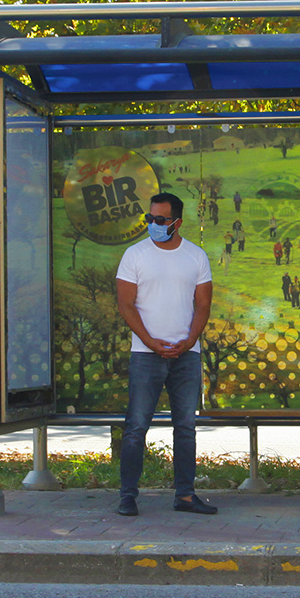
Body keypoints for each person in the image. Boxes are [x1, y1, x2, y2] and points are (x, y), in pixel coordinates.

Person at [114, 192, 217, 517]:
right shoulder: (134, 255)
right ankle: (127, 496)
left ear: (177, 222)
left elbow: (203, 305)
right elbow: (125, 304)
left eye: (160, 220)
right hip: (146, 354)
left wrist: (188, 342)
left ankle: (185, 495)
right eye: (150, 219)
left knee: (185, 427)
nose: (153, 225)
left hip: (186, 355)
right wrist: (150, 341)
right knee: (136, 427)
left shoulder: (196, 256)